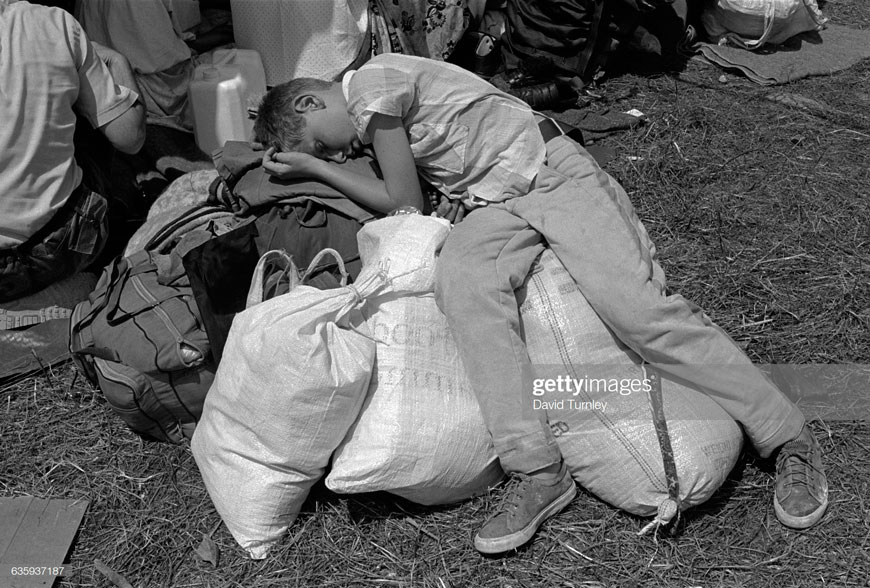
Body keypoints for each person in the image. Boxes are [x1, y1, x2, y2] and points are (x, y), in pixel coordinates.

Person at [251, 53, 828, 554]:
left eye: (323, 141)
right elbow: (418, 197)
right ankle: (537, 469)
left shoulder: (373, 85)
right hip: (496, 203)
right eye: (327, 151)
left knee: (638, 313)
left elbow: (400, 199)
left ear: (308, 101)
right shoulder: (371, 107)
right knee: (463, 285)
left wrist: (313, 165)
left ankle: (786, 436)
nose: (343, 148)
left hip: (554, 175)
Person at [0, 0, 146, 303]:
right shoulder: (54, 25)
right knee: (88, 121)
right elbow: (130, 137)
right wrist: (117, 61)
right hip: (59, 249)